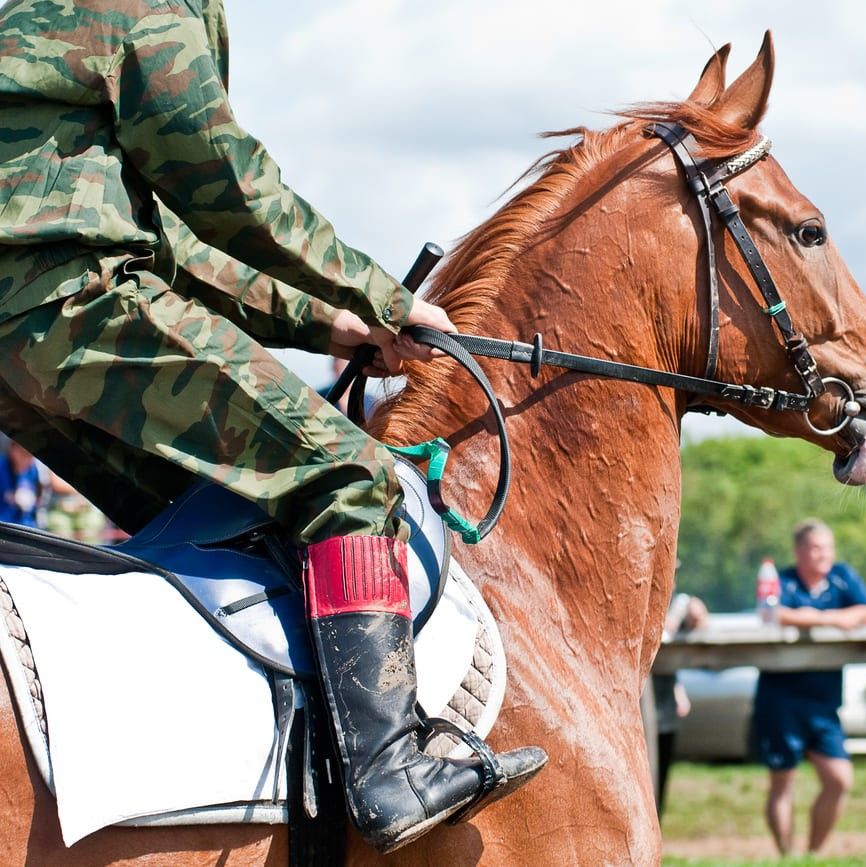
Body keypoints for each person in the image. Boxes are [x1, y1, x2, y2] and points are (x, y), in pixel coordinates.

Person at [0, 1, 543, 853]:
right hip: (78, 302)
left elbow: (175, 241)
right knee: (348, 478)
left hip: (18, 345)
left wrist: (329, 323)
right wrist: (380, 296)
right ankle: (389, 769)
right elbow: (228, 187)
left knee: (223, 509)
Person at [754, 519, 866, 856]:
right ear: (798, 551)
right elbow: (771, 613)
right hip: (781, 697)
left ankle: (813, 855)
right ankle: (786, 855)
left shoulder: (843, 576)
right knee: (784, 780)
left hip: (824, 701)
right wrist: (831, 619)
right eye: (815, 547)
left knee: (840, 780)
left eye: (827, 547)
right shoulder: (781, 580)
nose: (823, 554)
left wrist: (821, 617)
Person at [652, 592, 708, 815]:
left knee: (660, 777)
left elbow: (701, 625)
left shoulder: (676, 601)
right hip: (635, 706)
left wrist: (695, 613)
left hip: (664, 705)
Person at [0, 437, 43, 528]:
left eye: (31, 456)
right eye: (24, 455)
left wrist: (34, 501)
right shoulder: (2, 467)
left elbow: (36, 500)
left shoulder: (32, 470)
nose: (28, 461)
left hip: (26, 528)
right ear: (12, 450)